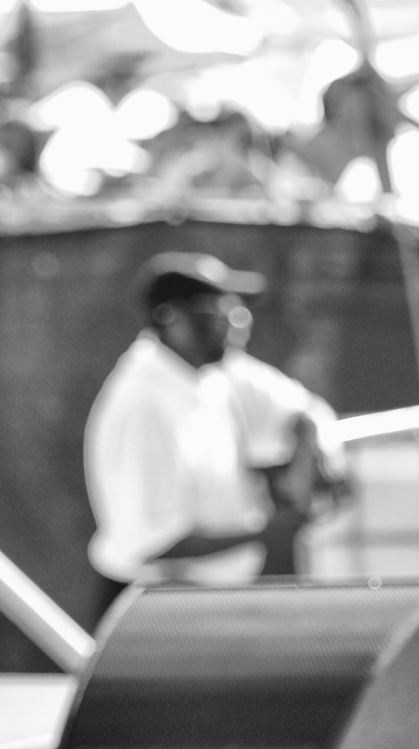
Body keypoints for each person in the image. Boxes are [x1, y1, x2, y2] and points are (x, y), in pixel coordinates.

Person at [84, 252, 344, 612]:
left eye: (238, 308)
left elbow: (306, 411)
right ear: (171, 317)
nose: (237, 321)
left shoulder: (218, 370)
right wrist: (273, 530)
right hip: (154, 606)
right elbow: (157, 545)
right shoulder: (145, 405)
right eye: (217, 309)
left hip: (205, 598)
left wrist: (316, 455)